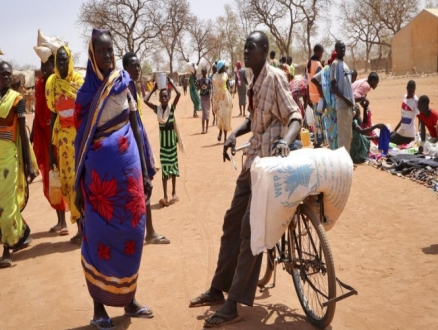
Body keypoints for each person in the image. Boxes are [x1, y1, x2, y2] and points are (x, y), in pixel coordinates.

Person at [189, 31, 302, 328]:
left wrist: (285, 142)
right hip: (253, 162)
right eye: (245, 47)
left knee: (249, 230)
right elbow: (254, 119)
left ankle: (233, 303)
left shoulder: (275, 77)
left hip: (271, 166)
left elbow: (295, 117)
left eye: (252, 47)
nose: (247, 50)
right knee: (231, 222)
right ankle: (218, 287)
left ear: (265, 50)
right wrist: (233, 134)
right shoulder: (253, 79)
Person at [74, 29, 155, 329]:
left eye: (111, 51)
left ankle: (129, 299)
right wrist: (78, 188)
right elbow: (79, 144)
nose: (108, 57)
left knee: (132, 236)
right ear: (92, 55)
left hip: (130, 181)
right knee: (97, 241)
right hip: (98, 188)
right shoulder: (84, 96)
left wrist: (145, 171)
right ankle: (99, 308)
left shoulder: (124, 84)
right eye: (102, 51)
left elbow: (136, 127)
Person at [122, 52, 170, 245]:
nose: (136, 69)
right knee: (140, 185)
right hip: (131, 142)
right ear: (125, 67)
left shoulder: (131, 86)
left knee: (144, 185)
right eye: (132, 66)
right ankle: (145, 232)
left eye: (138, 65)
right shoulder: (124, 87)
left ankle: (149, 231)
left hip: (138, 138)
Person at [0, 61, 38, 268]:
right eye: (2, 74)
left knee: (6, 204)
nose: (6, 77)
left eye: (8, 74)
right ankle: (22, 233)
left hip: (10, 157)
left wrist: (28, 163)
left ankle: (8, 248)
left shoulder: (17, 100)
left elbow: (23, 132)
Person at [46, 45, 84, 242]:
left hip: (80, 138)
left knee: (84, 182)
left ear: (69, 60)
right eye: (58, 61)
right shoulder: (52, 85)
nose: (61, 64)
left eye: (64, 60)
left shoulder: (79, 81)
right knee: (69, 185)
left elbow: (86, 110)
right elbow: (54, 116)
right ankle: (80, 229)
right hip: (63, 142)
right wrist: (52, 151)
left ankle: (89, 229)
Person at [32, 50, 69, 232]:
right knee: (50, 178)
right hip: (43, 137)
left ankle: (65, 222)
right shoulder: (41, 85)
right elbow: (37, 114)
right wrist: (32, 135)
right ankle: (60, 220)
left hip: (57, 138)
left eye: (48, 65)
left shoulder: (57, 86)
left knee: (61, 176)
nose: (44, 69)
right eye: (42, 65)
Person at [144, 77, 181, 207]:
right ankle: (165, 195)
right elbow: (145, 100)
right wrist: (154, 88)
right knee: (165, 171)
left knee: (174, 169)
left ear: (169, 98)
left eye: (166, 96)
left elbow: (179, 94)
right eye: (162, 97)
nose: (164, 98)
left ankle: (174, 193)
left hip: (172, 145)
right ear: (159, 99)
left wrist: (171, 82)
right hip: (164, 147)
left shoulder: (172, 108)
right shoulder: (157, 110)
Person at [331, 41, 354, 153]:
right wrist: (345, 99)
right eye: (341, 48)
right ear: (336, 49)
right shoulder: (335, 64)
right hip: (342, 105)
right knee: (343, 137)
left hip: (349, 105)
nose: (343, 50)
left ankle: (347, 161)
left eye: (344, 48)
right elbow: (333, 87)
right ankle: (342, 163)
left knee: (349, 136)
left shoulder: (345, 65)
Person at [311, 50, 338, 150]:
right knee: (336, 130)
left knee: (330, 129)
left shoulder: (325, 69)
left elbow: (313, 79)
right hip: (336, 105)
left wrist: (324, 88)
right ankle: (336, 151)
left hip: (328, 105)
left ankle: (332, 150)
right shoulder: (335, 69)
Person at [352, 72, 380, 141]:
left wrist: (363, 103)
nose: (376, 85)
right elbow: (354, 95)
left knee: (361, 123)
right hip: (349, 104)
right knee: (360, 125)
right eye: (376, 83)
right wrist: (364, 99)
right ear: (371, 81)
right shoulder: (366, 86)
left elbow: (359, 95)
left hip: (350, 102)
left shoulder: (365, 82)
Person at [307, 44, 324, 148]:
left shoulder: (309, 63)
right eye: (321, 52)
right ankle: (318, 141)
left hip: (312, 95)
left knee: (316, 119)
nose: (322, 54)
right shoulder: (317, 64)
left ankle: (318, 140)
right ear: (317, 52)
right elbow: (318, 81)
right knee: (319, 120)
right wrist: (322, 95)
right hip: (318, 96)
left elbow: (308, 80)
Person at [390, 80, 419, 145]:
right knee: (389, 139)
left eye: (413, 91)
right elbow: (403, 117)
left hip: (409, 134)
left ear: (415, 89)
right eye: (409, 91)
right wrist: (395, 129)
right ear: (407, 88)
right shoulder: (405, 97)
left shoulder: (416, 101)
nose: (411, 93)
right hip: (402, 131)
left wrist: (419, 133)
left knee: (389, 143)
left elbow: (420, 117)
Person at [212, 60, 233, 143]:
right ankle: (220, 132)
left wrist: (231, 100)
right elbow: (215, 90)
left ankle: (225, 137)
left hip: (226, 99)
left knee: (226, 117)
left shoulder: (226, 75)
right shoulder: (214, 77)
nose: (225, 67)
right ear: (220, 67)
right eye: (224, 66)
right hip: (219, 99)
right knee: (220, 117)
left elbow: (227, 86)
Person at [198, 67, 212, 134]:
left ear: (206, 72)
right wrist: (200, 85)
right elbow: (198, 88)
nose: (203, 73)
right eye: (202, 72)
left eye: (204, 72)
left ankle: (207, 129)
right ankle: (203, 129)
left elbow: (210, 88)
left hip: (207, 97)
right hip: (202, 97)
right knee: (204, 113)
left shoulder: (209, 80)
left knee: (207, 112)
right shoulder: (200, 80)